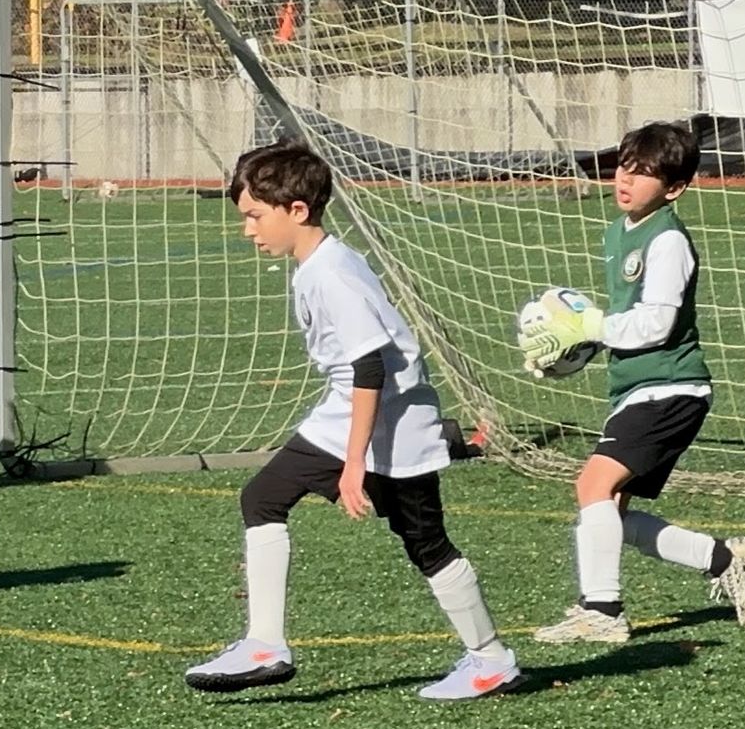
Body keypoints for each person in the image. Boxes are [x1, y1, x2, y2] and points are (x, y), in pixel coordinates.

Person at [184, 142, 521, 699]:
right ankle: (264, 643)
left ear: (296, 210)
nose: (248, 230)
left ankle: (490, 660)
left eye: (254, 216)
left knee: (427, 544)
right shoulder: (321, 263)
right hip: (350, 417)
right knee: (263, 498)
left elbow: (370, 368)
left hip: (391, 427)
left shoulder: (331, 274)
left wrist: (352, 464)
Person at [520, 121, 745, 644]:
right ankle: (723, 558)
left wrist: (591, 327)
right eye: (625, 166)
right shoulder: (618, 231)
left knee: (591, 487)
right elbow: (623, 322)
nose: (626, 179)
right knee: (608, 515)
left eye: (644, 173)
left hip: (671, 387)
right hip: (636, 387)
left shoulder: (668, 239)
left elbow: (658, 323)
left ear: (672, 188)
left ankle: (601, 612)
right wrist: (573, 348)